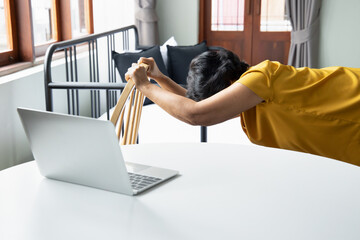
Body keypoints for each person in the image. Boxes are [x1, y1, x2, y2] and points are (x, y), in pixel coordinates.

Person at [125, 49, 360, 166]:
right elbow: (199, 105)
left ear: (228, 85)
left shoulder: (262, 77)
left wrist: (145, 86)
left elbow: (196, 113)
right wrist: (160, 78)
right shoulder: (250, 99)